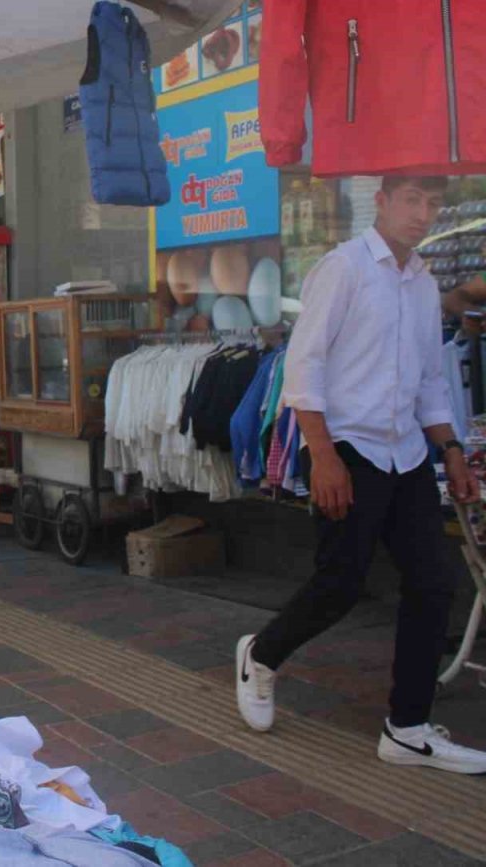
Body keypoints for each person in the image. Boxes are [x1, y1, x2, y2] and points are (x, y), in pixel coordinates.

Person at [235, 176, 486, 775]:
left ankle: (407, 727)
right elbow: (304, 365)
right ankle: (261, 656)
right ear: (381, 203)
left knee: (433, 581)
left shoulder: (424, 283)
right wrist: (322, 454)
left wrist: (449, 448)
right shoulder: (343, 268)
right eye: (411, 200)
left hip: (406, 453)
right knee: (342, 581)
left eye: (432, 204)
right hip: (347, 448)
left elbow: (429, 379)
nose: (423, 214)